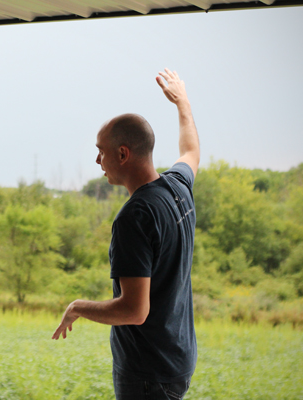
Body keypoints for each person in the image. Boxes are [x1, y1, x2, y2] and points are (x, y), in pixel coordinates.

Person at [52, 69, 200, 400]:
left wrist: (78, 306)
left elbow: (134, 311)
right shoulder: (178, 186)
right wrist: (183, 104)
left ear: (123, 154)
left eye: (101, 151)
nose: (97, 160)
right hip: (177, 359)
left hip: (148, 374)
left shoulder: (134, 218)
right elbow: (191, 151)